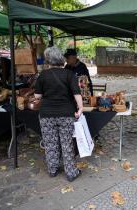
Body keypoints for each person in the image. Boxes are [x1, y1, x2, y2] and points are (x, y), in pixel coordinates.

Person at [35, 46, 83, 182]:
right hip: (66, 114)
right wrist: (80, 109)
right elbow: (76, 93)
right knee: (67, 143)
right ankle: (71, 172)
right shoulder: (69, 74)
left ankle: (53, 170)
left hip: (46, 115)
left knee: (50, 143)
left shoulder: (43, 75)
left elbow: (37, 96)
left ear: (48, 60)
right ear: (60, 59)